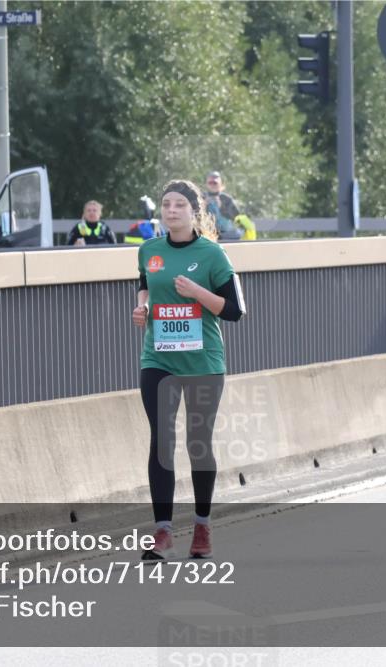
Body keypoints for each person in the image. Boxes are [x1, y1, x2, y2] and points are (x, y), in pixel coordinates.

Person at [132, 179, 247, 561]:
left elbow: (234, 311)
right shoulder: (149, 250)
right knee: (161, 440)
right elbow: (146, 286)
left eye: (179, 204)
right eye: (166, 203)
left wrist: (197, 292)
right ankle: (162, 532)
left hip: (202, 362)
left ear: (193, 211)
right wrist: (144, 308)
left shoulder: (212, 255)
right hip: (158, 358)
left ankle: (202, 526)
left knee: (198, 442)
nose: (171, 210)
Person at [203, 171, 256, 241]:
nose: (212, 185)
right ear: (206, 184)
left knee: (235, 234)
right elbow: (196, 217)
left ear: (221, 184)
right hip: (209, 233)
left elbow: (236, 217)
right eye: (210, 183)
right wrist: (204, 205)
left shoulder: (226, 199)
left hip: (227, 234)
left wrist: (221, 207)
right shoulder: (202, 197)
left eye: (215, 183)